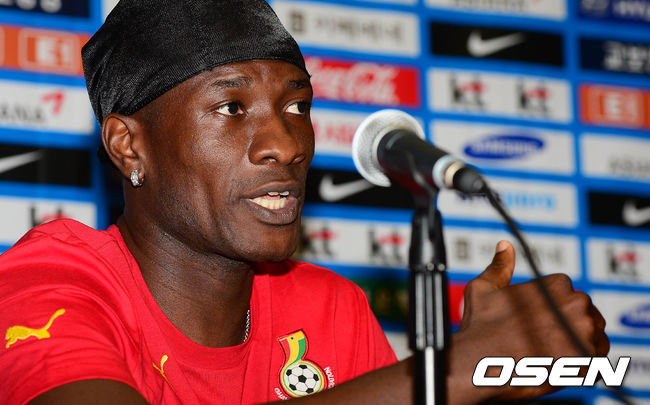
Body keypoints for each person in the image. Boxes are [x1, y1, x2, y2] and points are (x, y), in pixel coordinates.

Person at [0, 1, 608, 404]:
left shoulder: (329, 310)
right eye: (231, 108)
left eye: (296, 107)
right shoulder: (48, 279)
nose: (287, 145)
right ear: (129, 147)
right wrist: (454, 369)